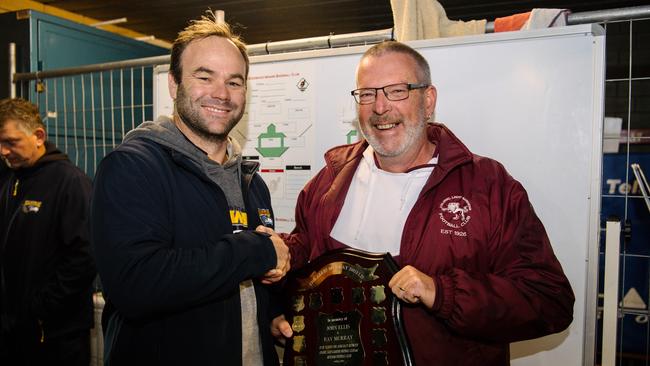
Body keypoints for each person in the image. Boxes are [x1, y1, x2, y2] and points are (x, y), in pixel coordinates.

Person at [275, 41, 575, 365]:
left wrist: (442, 293)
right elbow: (307, 265)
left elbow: (549, 299)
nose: (379, 107)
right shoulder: (328, 183)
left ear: (428, 100)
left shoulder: (488, 187)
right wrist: (281, 299)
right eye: (367, 93)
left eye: (397, 91)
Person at [90, 12, 291, 366]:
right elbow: (135, 284)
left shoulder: (251, 180)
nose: (221, 94)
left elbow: (243, 280)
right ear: (173, 84)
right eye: (204, 77)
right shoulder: (132, 167)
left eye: (235, 81)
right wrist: (256, 250)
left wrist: (271, 312)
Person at [0, 98, 96, 366]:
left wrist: (40, 309)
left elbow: (85, 256)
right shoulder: (11, 181)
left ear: (38, 136)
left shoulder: (70, 182)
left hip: (56, 335)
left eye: (10, 142)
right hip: (14, 331)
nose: (3, 151)